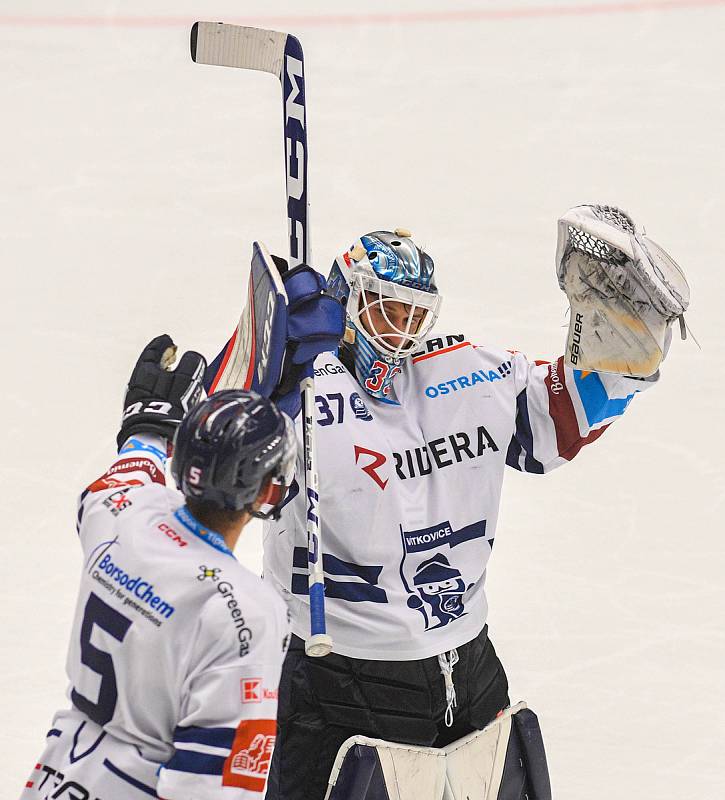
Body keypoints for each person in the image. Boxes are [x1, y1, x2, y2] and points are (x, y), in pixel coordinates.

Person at [204, 211, 688, 800]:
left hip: (470, 669)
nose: (402, 330)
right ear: (347, 299)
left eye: (415, 313)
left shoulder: (465, 371)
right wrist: (260, 370)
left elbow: (561, 419)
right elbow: (214, 463)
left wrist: (625, 344)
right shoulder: (302, 393)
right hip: (339, 676)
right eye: (387, 309)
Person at [20, 335, 296, 800]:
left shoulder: (123, 510)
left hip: (58, 778)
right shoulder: (246, 612)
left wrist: (148, 428)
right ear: (268, 495)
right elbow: (209, 786)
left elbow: (129, 468)